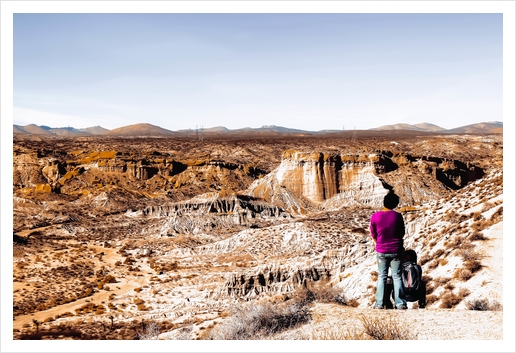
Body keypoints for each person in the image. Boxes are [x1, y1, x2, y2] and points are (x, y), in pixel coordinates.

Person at [370, 191, 407, 309]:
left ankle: (379, 304)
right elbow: (402, 233)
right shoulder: (398, 216)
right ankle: (400, 303)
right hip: (396, 249)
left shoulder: (375, 216)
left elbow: (373, 233)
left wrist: (379, 244)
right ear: (395, 204)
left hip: (381, 250)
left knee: (382, 276)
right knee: (397, 276)